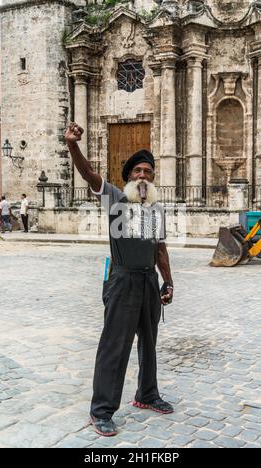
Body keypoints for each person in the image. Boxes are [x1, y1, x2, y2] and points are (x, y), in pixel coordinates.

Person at [66, 123, 174, 437]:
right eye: (137, 171)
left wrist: (167, 282)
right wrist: (73, 146)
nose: (143, 176)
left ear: (153, 178)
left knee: (150, 342)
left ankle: (147, 394)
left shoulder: (156, 209)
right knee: (115, 345)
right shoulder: (115, 198)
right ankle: (101, 410)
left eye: (148, 172)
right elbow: (89, 175)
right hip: (122, 281)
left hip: (148, 283)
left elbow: (161, 250)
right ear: (129, 177)